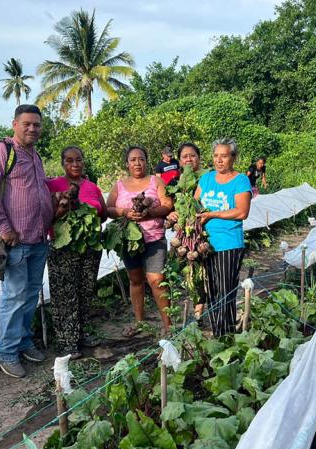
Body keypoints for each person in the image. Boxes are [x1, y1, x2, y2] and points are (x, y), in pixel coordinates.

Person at [0, 104, 54, 378]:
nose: (32, 128)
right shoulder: (1, 151)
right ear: (14, 124)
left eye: (37, 124)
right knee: (15, 295)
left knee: (30, 295)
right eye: (27, 124)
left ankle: (22, 341)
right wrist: (4, 228)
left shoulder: (35, 155)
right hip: (15, 239)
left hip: (37, 237)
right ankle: (5, 351)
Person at [45, 146, 107, 359]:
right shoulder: (53, 185)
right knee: (64, 295)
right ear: (63, 163)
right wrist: (64, 206)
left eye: (78, 160)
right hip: (63, 247)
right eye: (69, 160)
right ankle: (66, 342)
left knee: (85, 290)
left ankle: (81, 334)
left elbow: (104, 214)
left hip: (89, 246)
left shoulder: (91, 186)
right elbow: (47, 217)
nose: (75, 164)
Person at [106, 146, 173, 337]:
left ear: (147, 161)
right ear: (127, 163)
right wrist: (125, 212)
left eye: (141, 159)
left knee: (157, 280)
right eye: (133, 159)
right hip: (130, 240)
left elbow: (168, 204)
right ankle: (139, 322)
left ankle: (168, 325)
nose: (137, 163)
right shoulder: (119, 185)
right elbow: (108, 208)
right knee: (135, 280)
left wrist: (149, 213)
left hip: (154, 238)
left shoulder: (155, 181)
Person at [195, 138, 252, 337]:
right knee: (210, 291)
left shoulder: (240, 180)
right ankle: (218, 332)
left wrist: (211, 214)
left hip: (228, 243)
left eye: (224, 156)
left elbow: (241, 212)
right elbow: (194, 204)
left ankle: (226, 335)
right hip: (205, 243)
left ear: (233, 158)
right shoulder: (206, 179)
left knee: (226, 291)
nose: (219, 160)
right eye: (216, 156)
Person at [166, 142, 208, 318]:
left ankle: (211, 309)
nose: (189, 159)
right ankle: (198, 311)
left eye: (192, 155)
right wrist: (172, 214)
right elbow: (168, 206)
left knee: (209, 272)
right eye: (185, 156)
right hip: (185, 236)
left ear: (199, 158)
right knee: (192, 271)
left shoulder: (208, 178)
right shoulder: (175, 182)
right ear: (180, 160)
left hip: (205, 231)